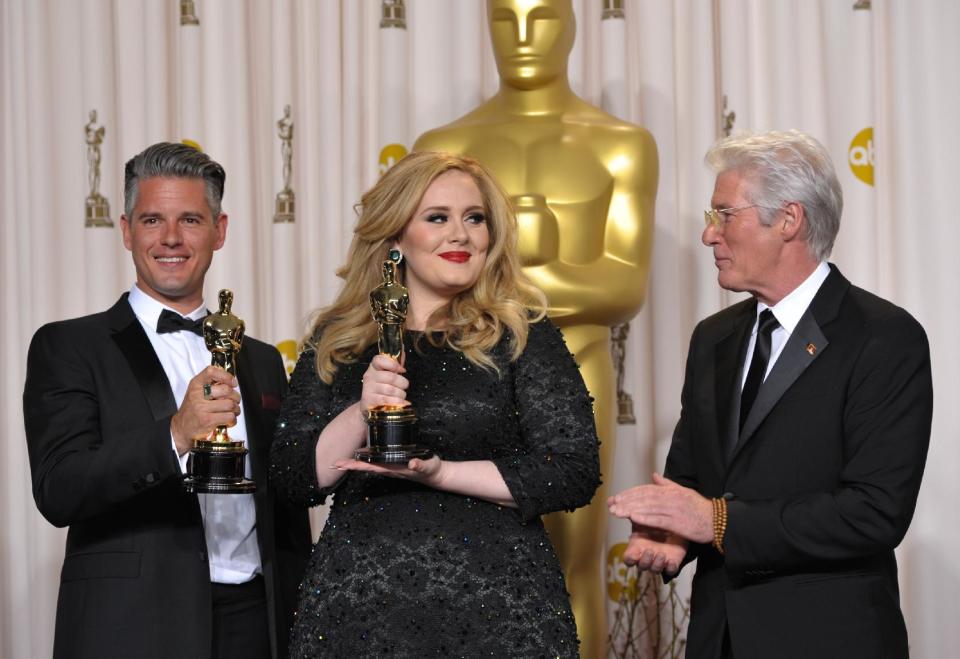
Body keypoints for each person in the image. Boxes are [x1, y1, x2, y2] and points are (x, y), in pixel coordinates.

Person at [607, 130, 932, 659]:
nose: (709, 236)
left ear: (788, 219)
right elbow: (694, 478)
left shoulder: (883, 337)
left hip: (826, 640)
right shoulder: (713, 338)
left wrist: (715, 522)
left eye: (724, 214)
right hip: (719, 638)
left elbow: (874, 512)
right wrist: (674, 534)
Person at [269, 151, 601, 657]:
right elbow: (292, 478)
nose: (460, 234)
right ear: (396, 235)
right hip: (361, 608)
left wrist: (440, 473)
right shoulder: (340, 340)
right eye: (437, 218)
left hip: (502, 609)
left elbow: (572, 470)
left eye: (474, 218)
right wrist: (362, 411)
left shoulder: (521, 334)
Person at [413, 2, 657, 652]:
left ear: (574, 25)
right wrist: (539, 270)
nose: (522, 37)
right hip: (462, 377)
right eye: (505, 19)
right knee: (456, 562)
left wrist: (500, 276)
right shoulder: (442, 148)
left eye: (542, 17)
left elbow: (624, 284)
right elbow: (420, 279)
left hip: (577, 370)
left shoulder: (620, 143)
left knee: (574, 563)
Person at [23, 142, 311, 659]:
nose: (171, 238)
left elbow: (284, 505)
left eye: (191, 220)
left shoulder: (263, 360)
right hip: (132, 625)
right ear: (127, 230)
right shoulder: (68, 346)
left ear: (219, 231)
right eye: (153, 220)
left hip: (257, 623)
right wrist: (176, 433)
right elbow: (59, 489)